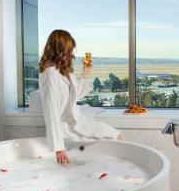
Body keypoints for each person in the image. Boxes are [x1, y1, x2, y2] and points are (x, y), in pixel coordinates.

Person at [39, 29, 121, 164]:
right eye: (69, 49)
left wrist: (86, 72)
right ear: (60, 49)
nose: (71, 53)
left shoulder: (63, 71)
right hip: (65, 128)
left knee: (116, 135)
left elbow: (75, 95)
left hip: (77, 121)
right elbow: (51, 112)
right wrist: (59, 148)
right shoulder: (50, 74)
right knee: (114, 138)